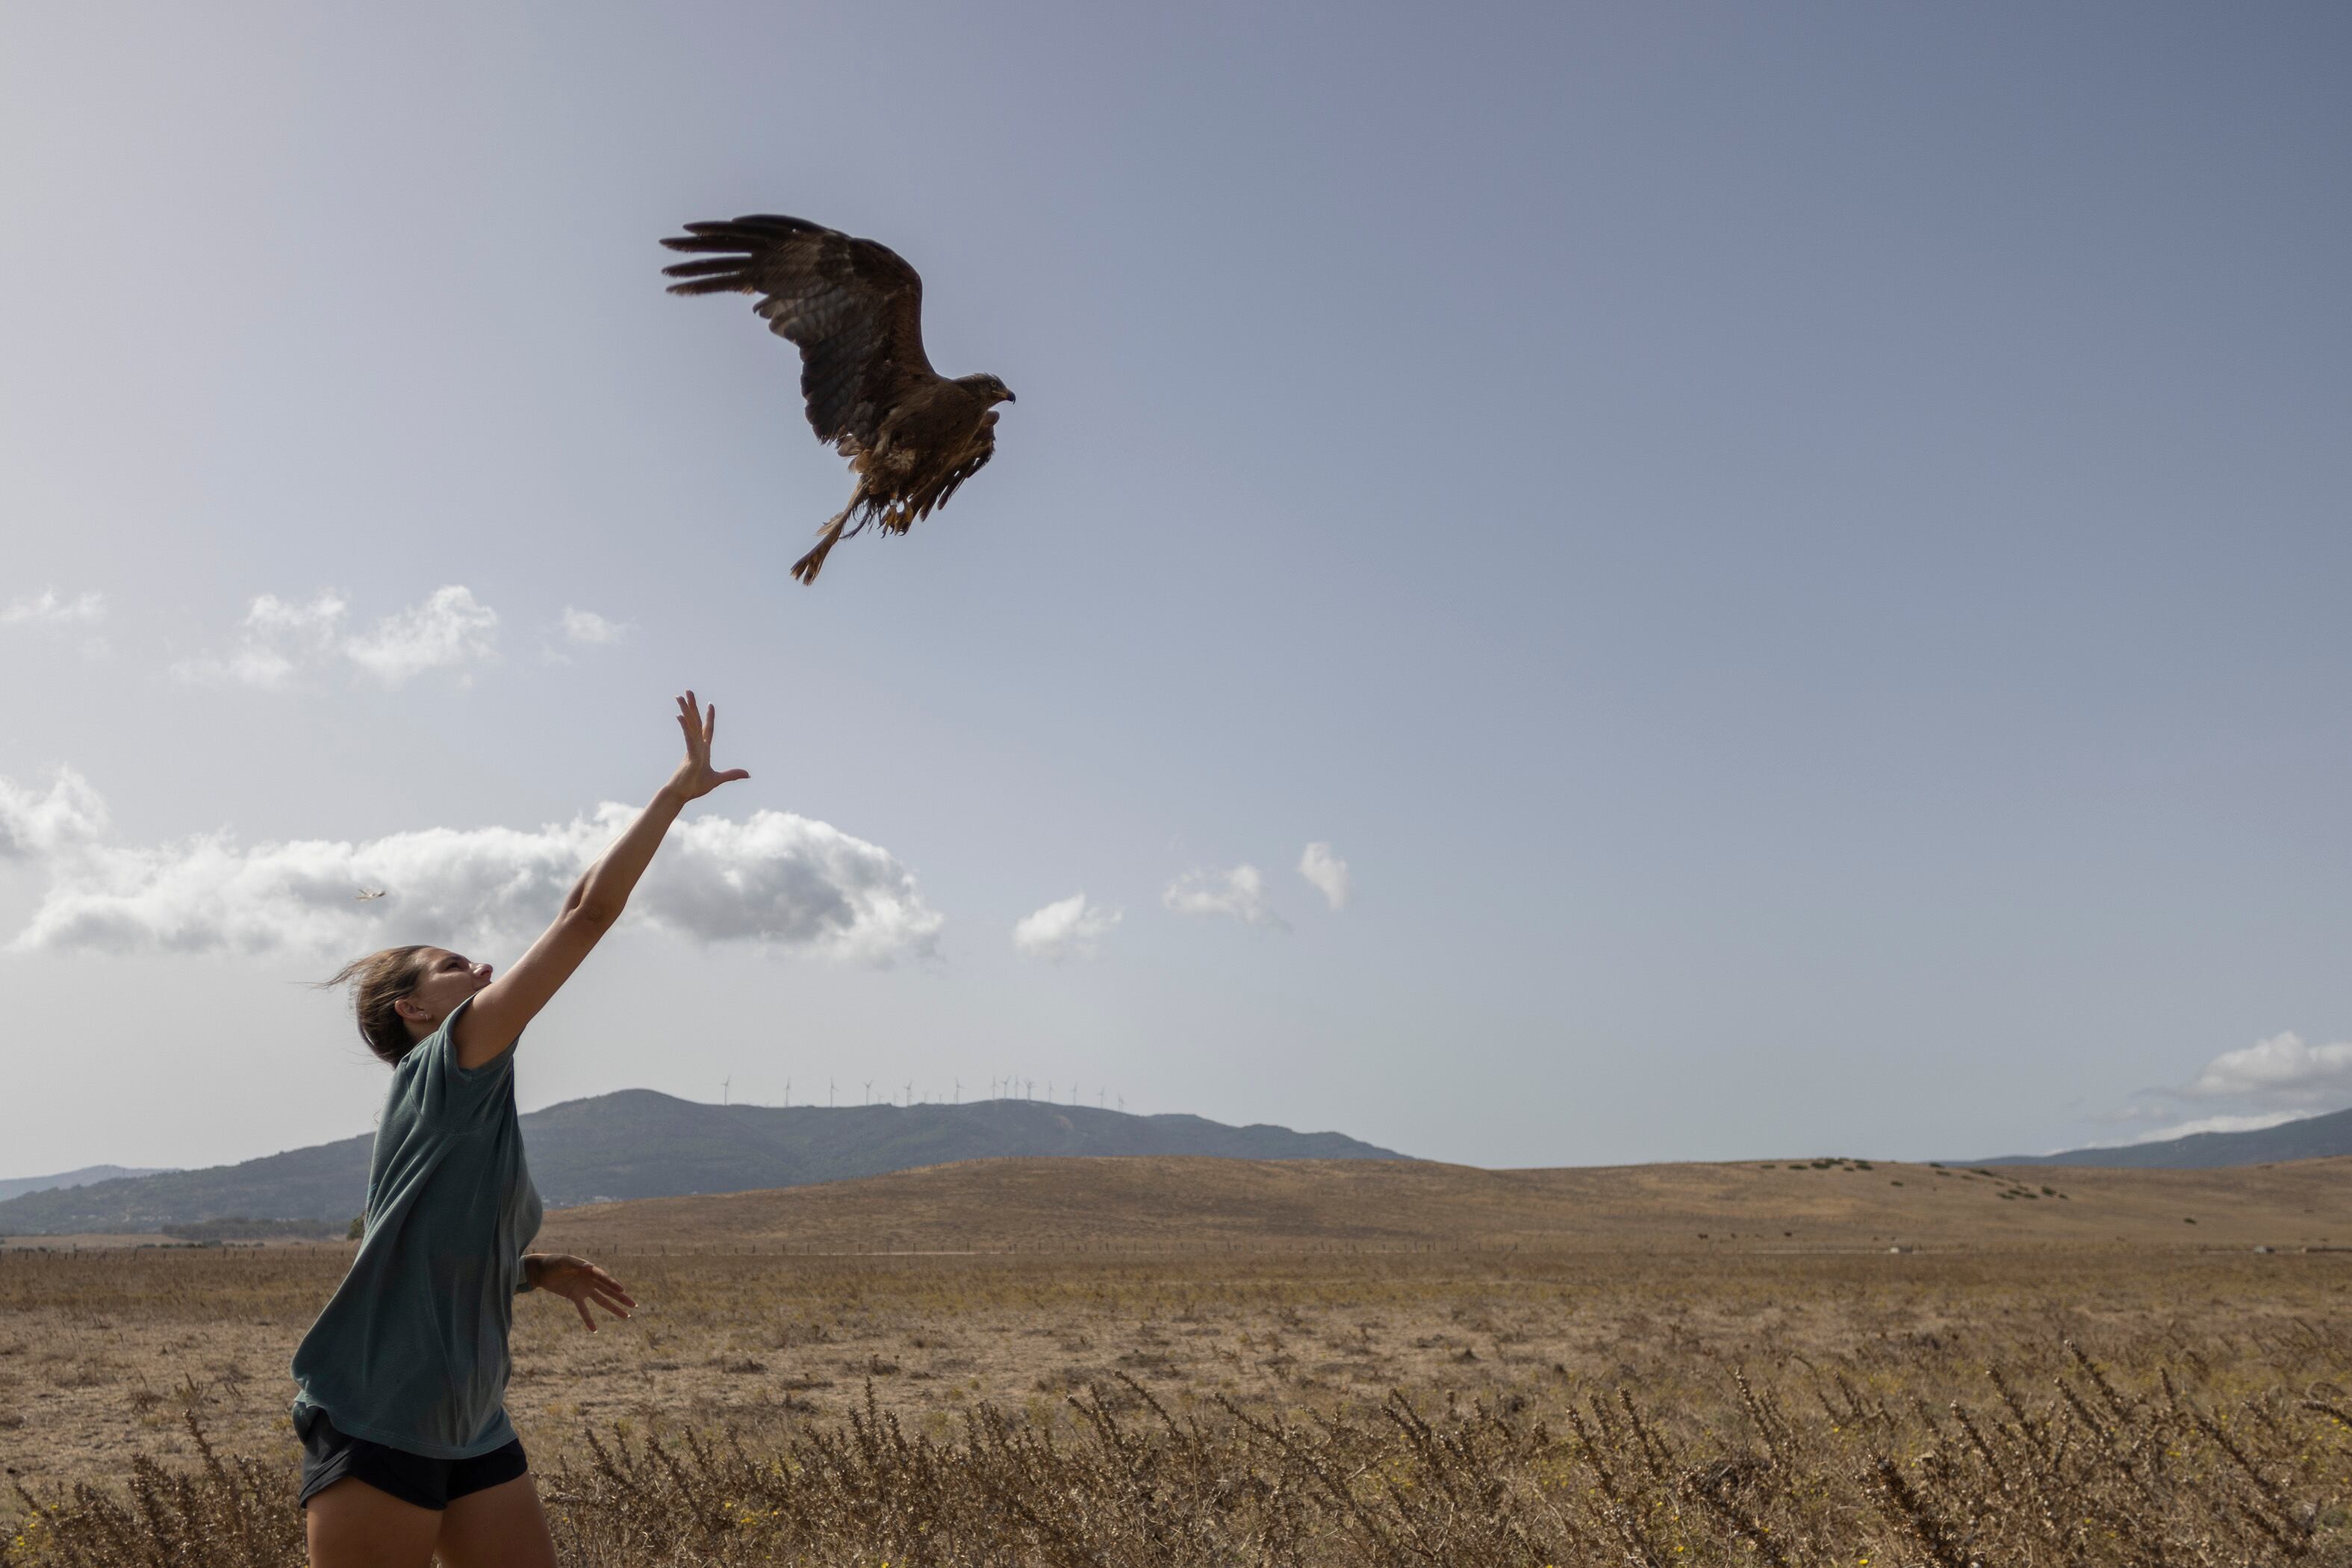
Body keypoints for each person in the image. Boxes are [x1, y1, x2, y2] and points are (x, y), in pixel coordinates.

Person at [292, 691, 749, 1567]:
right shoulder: (451, 1058)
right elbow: (587, 915)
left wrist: (529, 1269)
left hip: (469, 1423)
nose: (486, 967)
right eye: (456, 964)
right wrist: (674, 796)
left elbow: (430, 1252)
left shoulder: (459, 1094)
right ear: (415, 1008)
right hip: (383, 1415)